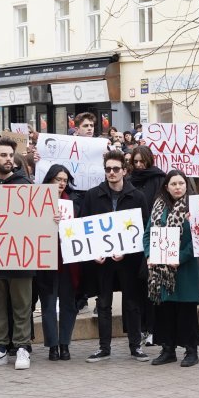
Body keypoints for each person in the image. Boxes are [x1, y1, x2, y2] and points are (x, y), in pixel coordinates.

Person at [0, 140, 59, 370]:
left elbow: (40, 218)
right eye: (3, 155)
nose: (8, 159)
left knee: (22, 305)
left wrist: (52, 218)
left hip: (22, 257)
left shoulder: (27, 185)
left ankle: (22, 347)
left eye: (11, 155)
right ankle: (0, 347)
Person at [80, 150, 151, 363]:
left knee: (132, 302)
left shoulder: (137, 196)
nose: (111, 173)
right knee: (103, 303)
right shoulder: (93, 195)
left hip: (127, 260)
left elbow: (144, 228)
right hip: (102, 262)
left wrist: (127, 251)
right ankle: (104, 348)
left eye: (116, 169)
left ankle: (135, 347)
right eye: (108, 169)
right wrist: (94, 252)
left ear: (125, 171)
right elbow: (84, 225)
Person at [143, 170, 199, 367]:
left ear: (187, 185)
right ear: (166, 187)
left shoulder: (195, 206)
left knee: (186, 311)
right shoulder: (158, 206)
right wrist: (149, 254)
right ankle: (168, 349)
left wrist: (181, 257)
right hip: (161, 269)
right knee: (165, 311)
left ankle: (191, 350)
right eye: (173, 184)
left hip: (185, 269)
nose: (177, 187)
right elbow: (148, 234)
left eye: (181, 183)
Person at [37, 165, 79, 361]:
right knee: (48, 305)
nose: (61, 183)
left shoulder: (75, 202)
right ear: (49, 180)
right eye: (57, 179)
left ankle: (65, 344)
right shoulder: (37, 202)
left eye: (64, 180)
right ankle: (52, 346)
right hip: (47, 261)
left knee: (69, 305)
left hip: (69, 263)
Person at [128, 145, 167, 346]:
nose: (139, 165)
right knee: (138, 287)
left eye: (142, 161)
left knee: (153, 285)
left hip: (153, 237)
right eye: (135, 162)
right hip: (132, 239)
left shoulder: (160, 179)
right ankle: (141, 328)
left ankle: (153, 329)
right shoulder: (128, 180)